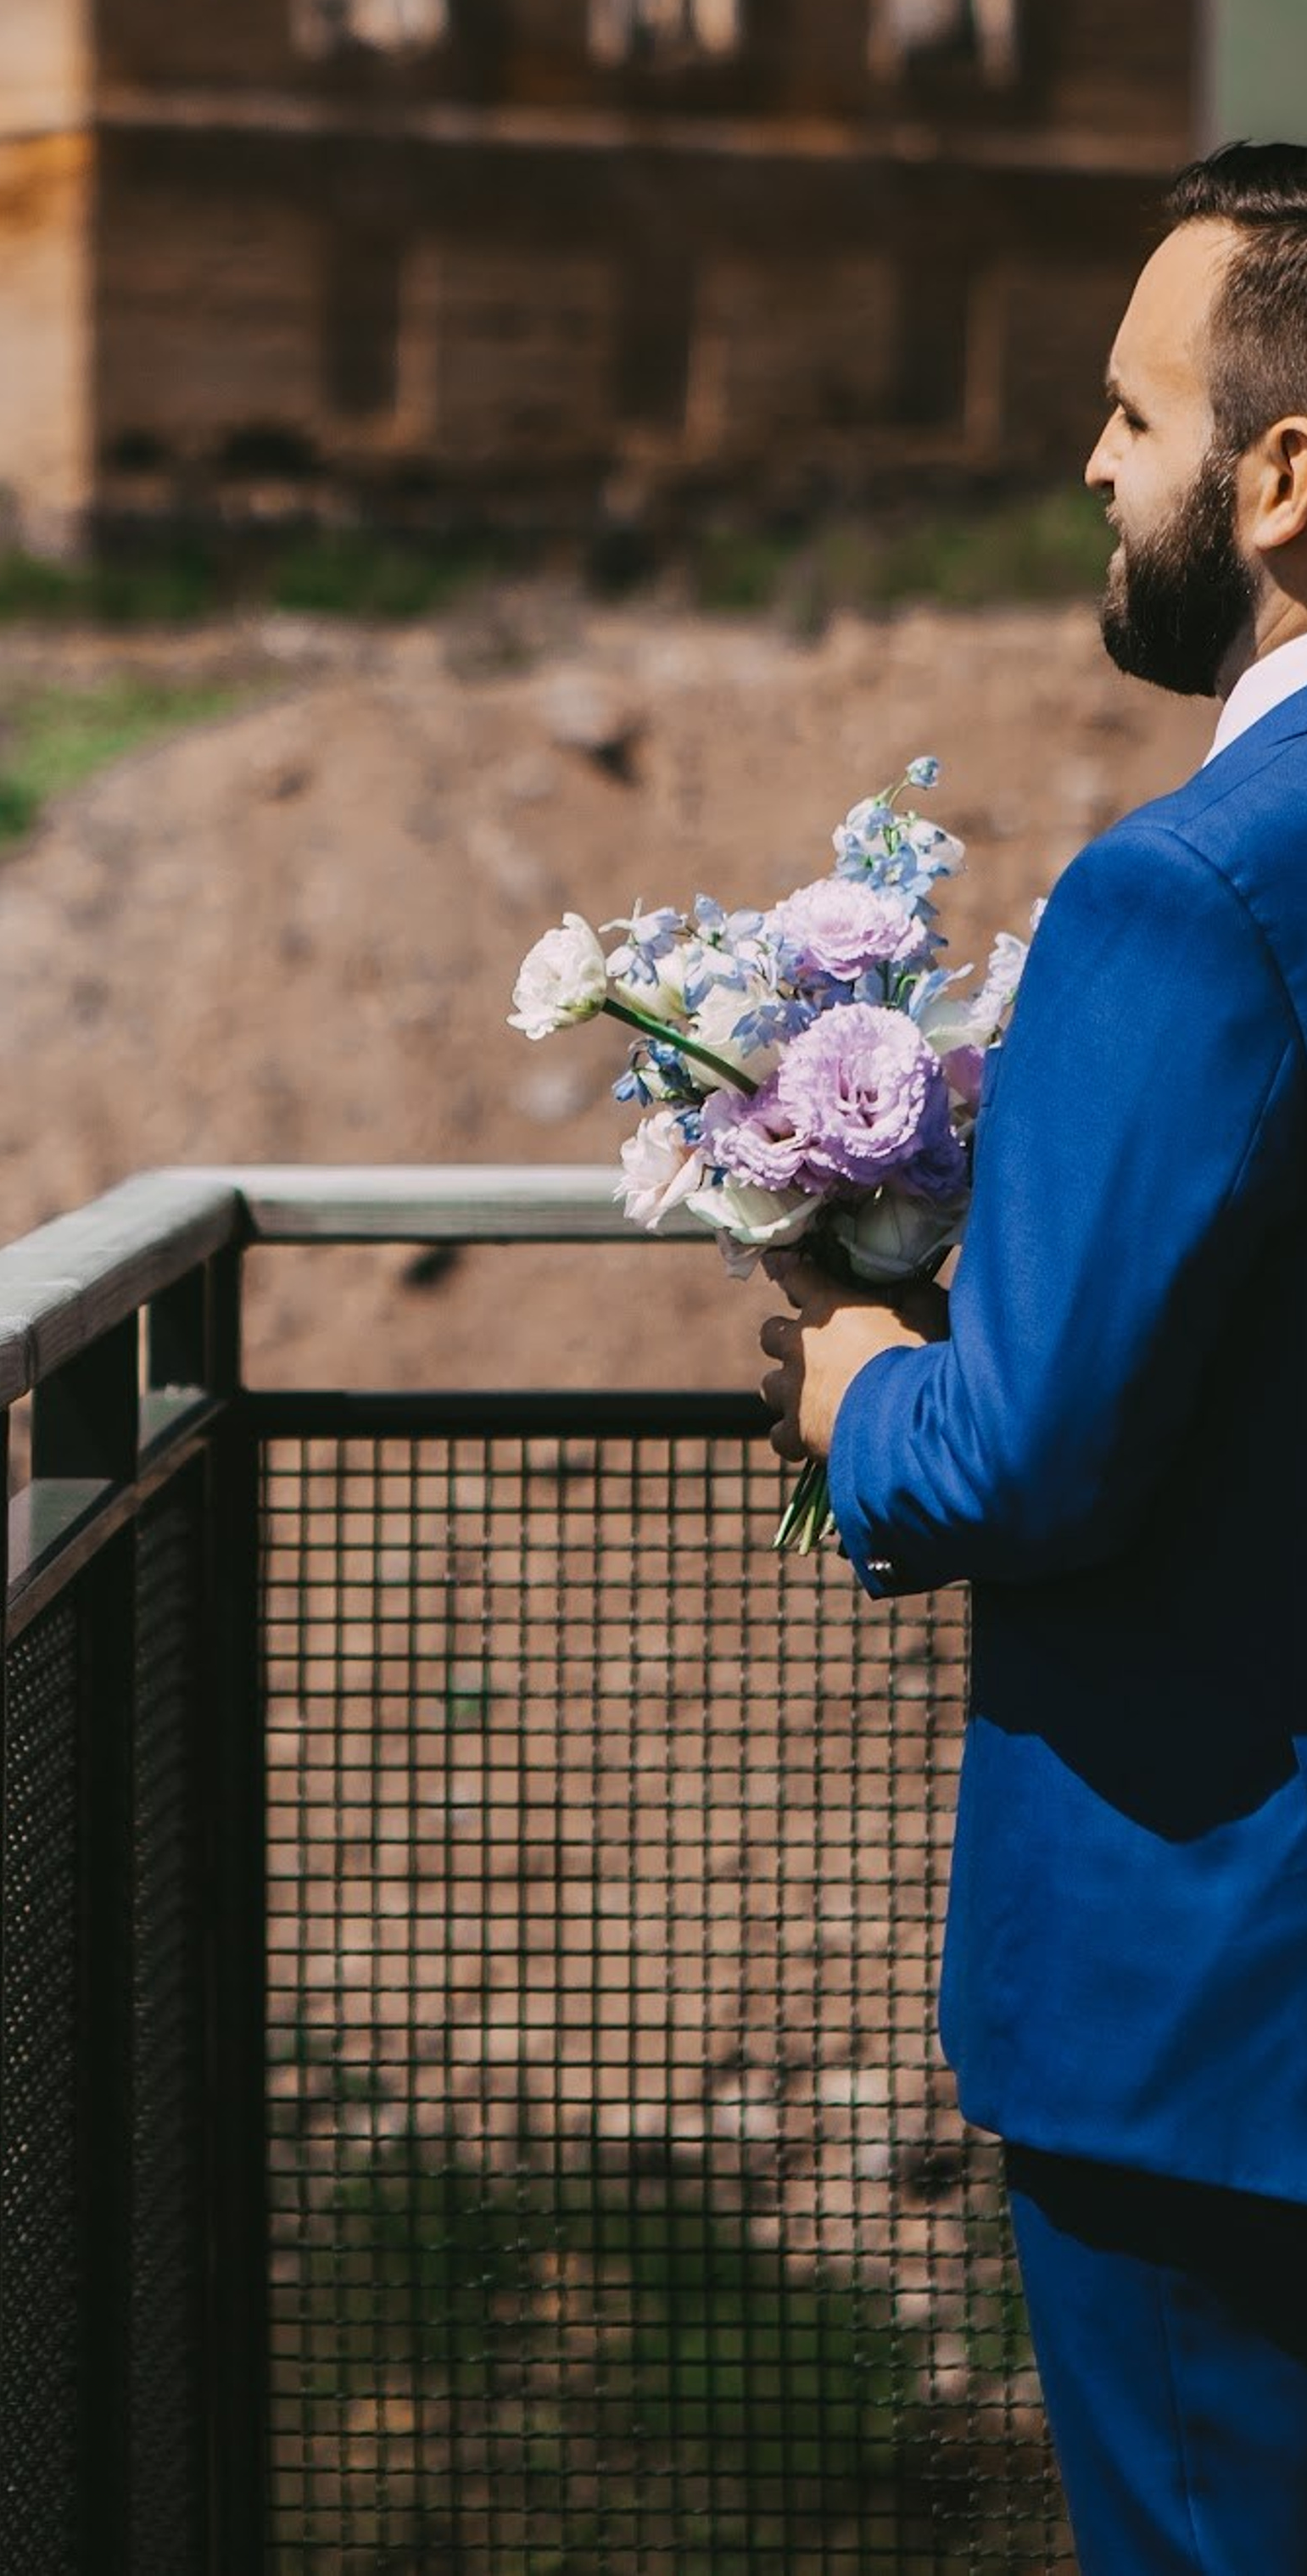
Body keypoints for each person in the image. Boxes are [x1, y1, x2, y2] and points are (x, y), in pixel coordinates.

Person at [758, 142, 1307, 2576]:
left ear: (1283, 479)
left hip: (1225, 2055)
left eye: (1136, 412)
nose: (1097, 464)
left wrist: (856, 1364)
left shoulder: (1186, 903)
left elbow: (1035, 1453)